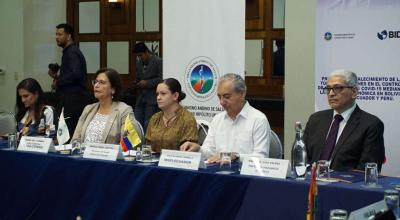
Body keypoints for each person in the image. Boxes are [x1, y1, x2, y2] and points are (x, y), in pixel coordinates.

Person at [303, 69, 385, 171]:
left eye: (337, 88)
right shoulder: (316, 119)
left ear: (354, 92)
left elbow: (368, 169)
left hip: (344, 184)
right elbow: (302, 156)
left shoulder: (371, 124)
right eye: (328, 89)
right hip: (311, 183)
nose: (331, 94)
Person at [181, 73, 271, 163]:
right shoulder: (217, 119)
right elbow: (210, 151)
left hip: (245, 174)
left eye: (226, 97)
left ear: (242, 93)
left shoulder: (258, 119)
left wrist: (236, 157)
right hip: (218, 172)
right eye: (219, 97)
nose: (221, 102)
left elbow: (261, 157)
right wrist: (198, 149)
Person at [72, 68, 142, 144]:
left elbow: (130, 143)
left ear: (113, 89)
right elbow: (75, 140)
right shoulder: (88, 109)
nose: (96, 85)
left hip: (111, 155)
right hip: (83, 155)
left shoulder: (124, 111)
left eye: (101, 82)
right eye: (95, 82)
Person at [48, 23, 88, 139]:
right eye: (56, 34)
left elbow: (76, 74)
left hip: (72, 99)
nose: (57, 37)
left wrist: (58, 82)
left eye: (60, 34)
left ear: (69, 36)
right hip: (71, 98)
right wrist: (56, 76)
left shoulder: (72, 52)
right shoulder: (69, 52)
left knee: (67, 133)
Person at [146, 78, 198, 153]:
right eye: (157, 94)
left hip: (178, 162)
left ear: (175, 96)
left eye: (163, 94)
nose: (158, 98)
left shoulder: (187, 118)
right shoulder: (155, 118)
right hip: (154, 162)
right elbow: (147, 147)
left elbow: (189, 149)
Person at [132, 42, 163, 132]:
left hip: (152, 99)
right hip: (140, 99)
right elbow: (138, 77)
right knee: (136, 124)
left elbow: (161, 79)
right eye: (138, 56)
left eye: (141, 55)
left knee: (148, 124)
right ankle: (137, 144)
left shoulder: (158, 62)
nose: (139, 58)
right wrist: (136, 82)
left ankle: (147, 145)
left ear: (147, 52)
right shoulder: (139, 63)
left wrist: (147, 83)